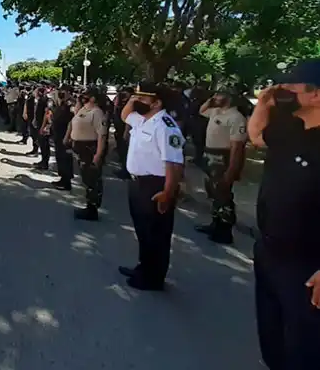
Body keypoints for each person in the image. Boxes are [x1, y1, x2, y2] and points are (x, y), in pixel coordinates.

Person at [246, 59, 320, 370]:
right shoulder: (289, 127)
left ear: (316, 94)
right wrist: (263, 102)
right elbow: (256, 136)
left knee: (305, 348)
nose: (283, 92)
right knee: (273, 336)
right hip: (269, 251)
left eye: (291, 86)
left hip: (306, 264)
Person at [119, 82, 185, 291]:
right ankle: (143, 267)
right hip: (138, 183)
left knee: (156, 234)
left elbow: (173, 164)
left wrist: (168, 193)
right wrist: (133, 98)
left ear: (157, 103)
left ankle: (154, 278)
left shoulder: (166, 126)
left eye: (143, 98)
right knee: (143, 231)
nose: (138, 101)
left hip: (155, 185)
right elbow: (124, 116)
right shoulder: (142, 120)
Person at [194, 87, 247, 244]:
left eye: (219, 94)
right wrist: (211, 101)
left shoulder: (236, 117)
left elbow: (237, 147)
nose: (215, 97)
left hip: (222, 158)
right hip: (210, 155)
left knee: (223, 195)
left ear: (229, 98)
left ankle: (225, 231)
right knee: (214, 193)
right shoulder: (215, 111)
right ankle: (214, 224)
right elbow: (201, 110)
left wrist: (232, 170)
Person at [65, 86, 109, 221]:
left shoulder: (97, 113)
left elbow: (102, 136)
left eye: (86, 95)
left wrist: (98, 155)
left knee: (92, 179)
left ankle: (92, 209)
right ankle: (89, 205)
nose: (83, 96)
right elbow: (74, 119)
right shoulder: (84, 109)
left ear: (93, 98)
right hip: (81, 148)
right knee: (86, 177)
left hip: (90, 148)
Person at [113, 87, 132, 180]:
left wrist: (126, 133)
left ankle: (126, 171)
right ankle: (124, 168)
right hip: (119, 129)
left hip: (126, 129)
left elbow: (128, 119)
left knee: (126, 151)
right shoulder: (120, 100)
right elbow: (115, 106)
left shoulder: (131, 104)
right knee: (122, 150)